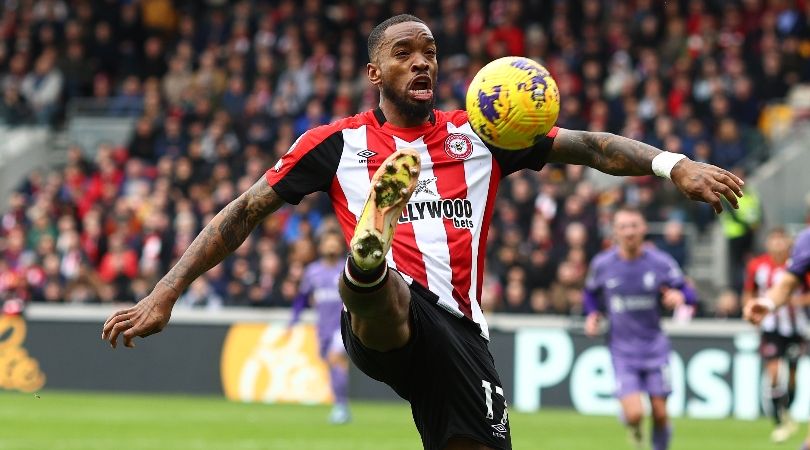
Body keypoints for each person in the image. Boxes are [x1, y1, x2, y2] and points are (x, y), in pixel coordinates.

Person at [102, 15, 744, 450]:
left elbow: (593, 147)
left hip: (463, 334)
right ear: (374, 73)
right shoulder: (336, 144)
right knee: (385, 295)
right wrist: (165, 293)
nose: (421, 62)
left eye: (429, 52)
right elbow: (240, 213)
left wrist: (674, 165)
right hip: (388, 318)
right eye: (402, 53)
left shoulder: (486, 134)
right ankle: (367, 259)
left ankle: (369, 262)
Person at [583, 206, 697, 450]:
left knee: (660, 414)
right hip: (622, 350)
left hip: (655, 348)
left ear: (644, 228)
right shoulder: (603, 264)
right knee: (635, 414)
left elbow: (689, 292)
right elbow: (590, 294)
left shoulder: (660, 262)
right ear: (615, 231)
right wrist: (592, 314)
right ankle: (634, 428)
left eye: (634, 226)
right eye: (623, 227)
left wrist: (680, 296)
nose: (629, 232)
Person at [746, 227, 810, 450]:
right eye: (774, 240)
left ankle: (788, 412)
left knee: (792, 376)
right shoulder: (760, 265)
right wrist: (764, 304)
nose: (778, 244)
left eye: (781, 240)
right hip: (772, 328)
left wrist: (798, 303)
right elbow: (778, 289)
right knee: (773, 374)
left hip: (796, 329)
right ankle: (779, 420)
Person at [287, 230, 351, 425]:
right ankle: (340, 405)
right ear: (321, 247)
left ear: (340, 246)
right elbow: (302, 298)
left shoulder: (346, 269)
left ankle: (341, 406)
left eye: (334, 243)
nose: (331, 247)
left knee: (335, 357)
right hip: (323, 327)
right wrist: (293, 320)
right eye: (327, 243)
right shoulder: (313, 271)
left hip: (343, 326)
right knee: (330, 364)